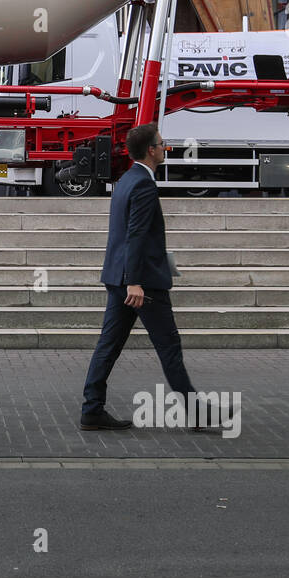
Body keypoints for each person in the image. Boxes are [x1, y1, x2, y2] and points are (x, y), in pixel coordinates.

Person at [79, 123, 211, 432]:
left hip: (119, 277)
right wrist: (135, 281)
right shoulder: (143, 185)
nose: (166, 148)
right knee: (169, 347)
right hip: (142, 284)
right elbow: (135, 235)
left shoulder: (126, 179)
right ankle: (196, 413)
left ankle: (91, 409)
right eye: (162, 144)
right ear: (151, 150)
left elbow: (128, 234)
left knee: (108, 347)